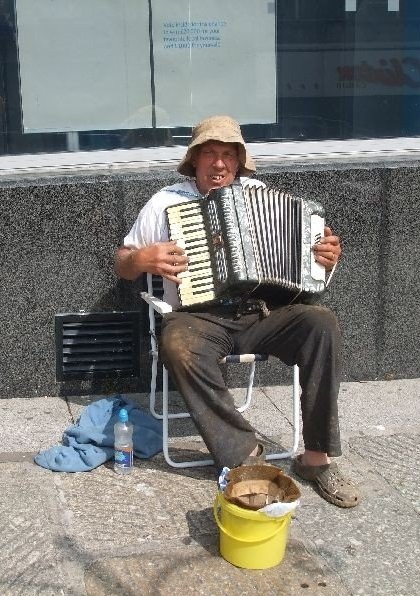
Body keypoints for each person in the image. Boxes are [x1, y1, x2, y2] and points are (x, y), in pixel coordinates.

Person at [114, 115, 360, 508]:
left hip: (261, 313)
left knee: (321, 323)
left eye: (228, 155)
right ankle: (244, 455)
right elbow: (123, 262)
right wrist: (142, 258)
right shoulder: (165, 202)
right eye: (209, 153)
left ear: (239, 162)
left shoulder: (259, 192)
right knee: (176, 342)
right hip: (197, 317)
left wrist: (324, 259)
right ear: (193, 160)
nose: (219, 164)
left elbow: (304, 258)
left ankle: (316, 459)